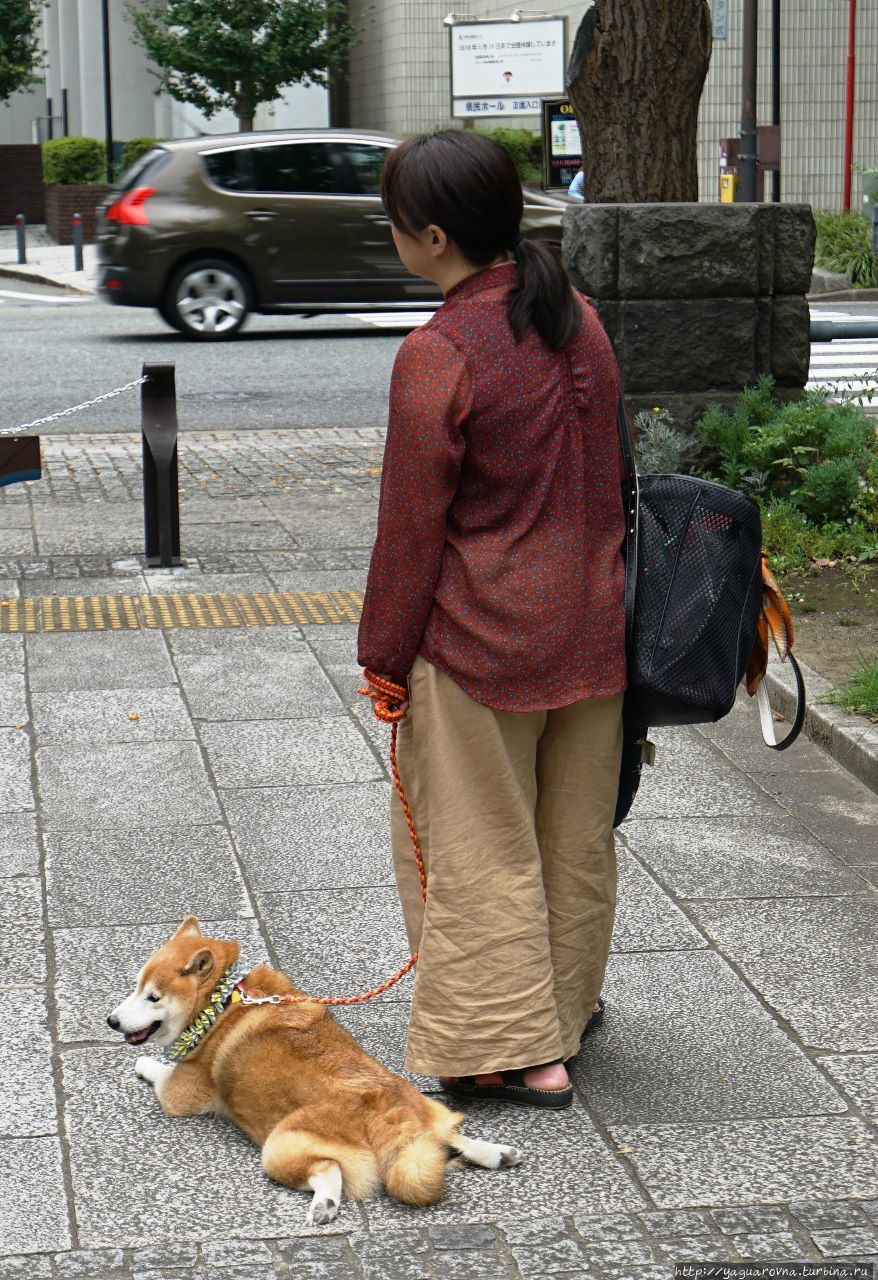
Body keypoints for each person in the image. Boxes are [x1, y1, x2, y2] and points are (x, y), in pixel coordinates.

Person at [357, 130, 626, 1110]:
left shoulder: (438, 353)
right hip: (595, 629)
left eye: (393, 224)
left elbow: (409, 530)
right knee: (572, 837)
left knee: (478, 846)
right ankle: (562, 1013)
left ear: (431, 238)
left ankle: (511, 1048)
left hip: (480, 640)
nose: (391, 237)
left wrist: (384, 657)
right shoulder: (577, 319)